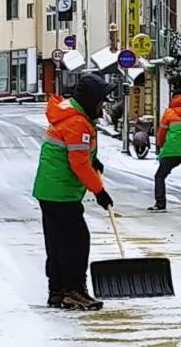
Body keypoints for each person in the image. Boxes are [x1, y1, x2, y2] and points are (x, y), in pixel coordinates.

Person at [32, 73, 116, 310]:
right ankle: (74, 290)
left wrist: (93, 160)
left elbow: (77, 153)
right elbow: (78, 164)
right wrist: (99, 192)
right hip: (61, 192)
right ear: (91, 100)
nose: (104, 105)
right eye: (102, 100)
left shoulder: (71, 114)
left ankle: (57, 290)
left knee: (58, 242)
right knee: (76, 242)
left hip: (50, 190)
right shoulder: (77, 123)